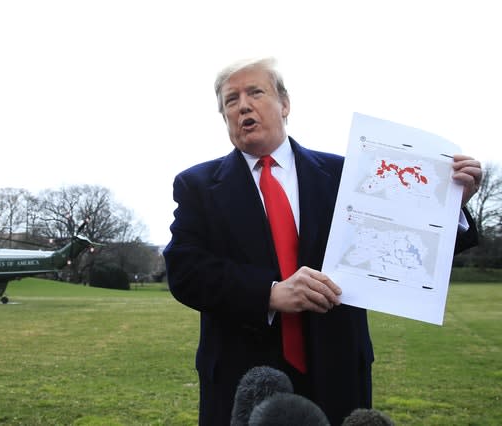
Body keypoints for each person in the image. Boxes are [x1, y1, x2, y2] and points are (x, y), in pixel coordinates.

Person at [163, 57, 481, 426]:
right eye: (231, 100)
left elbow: (404, 247)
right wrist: (269, 294)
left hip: (337, 367)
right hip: (244, 378)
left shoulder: (346, 173)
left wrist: (447, 209)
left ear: (285, 104)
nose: (243, 105)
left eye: (255, 92)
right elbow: (186, 271)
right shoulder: (197, 185)